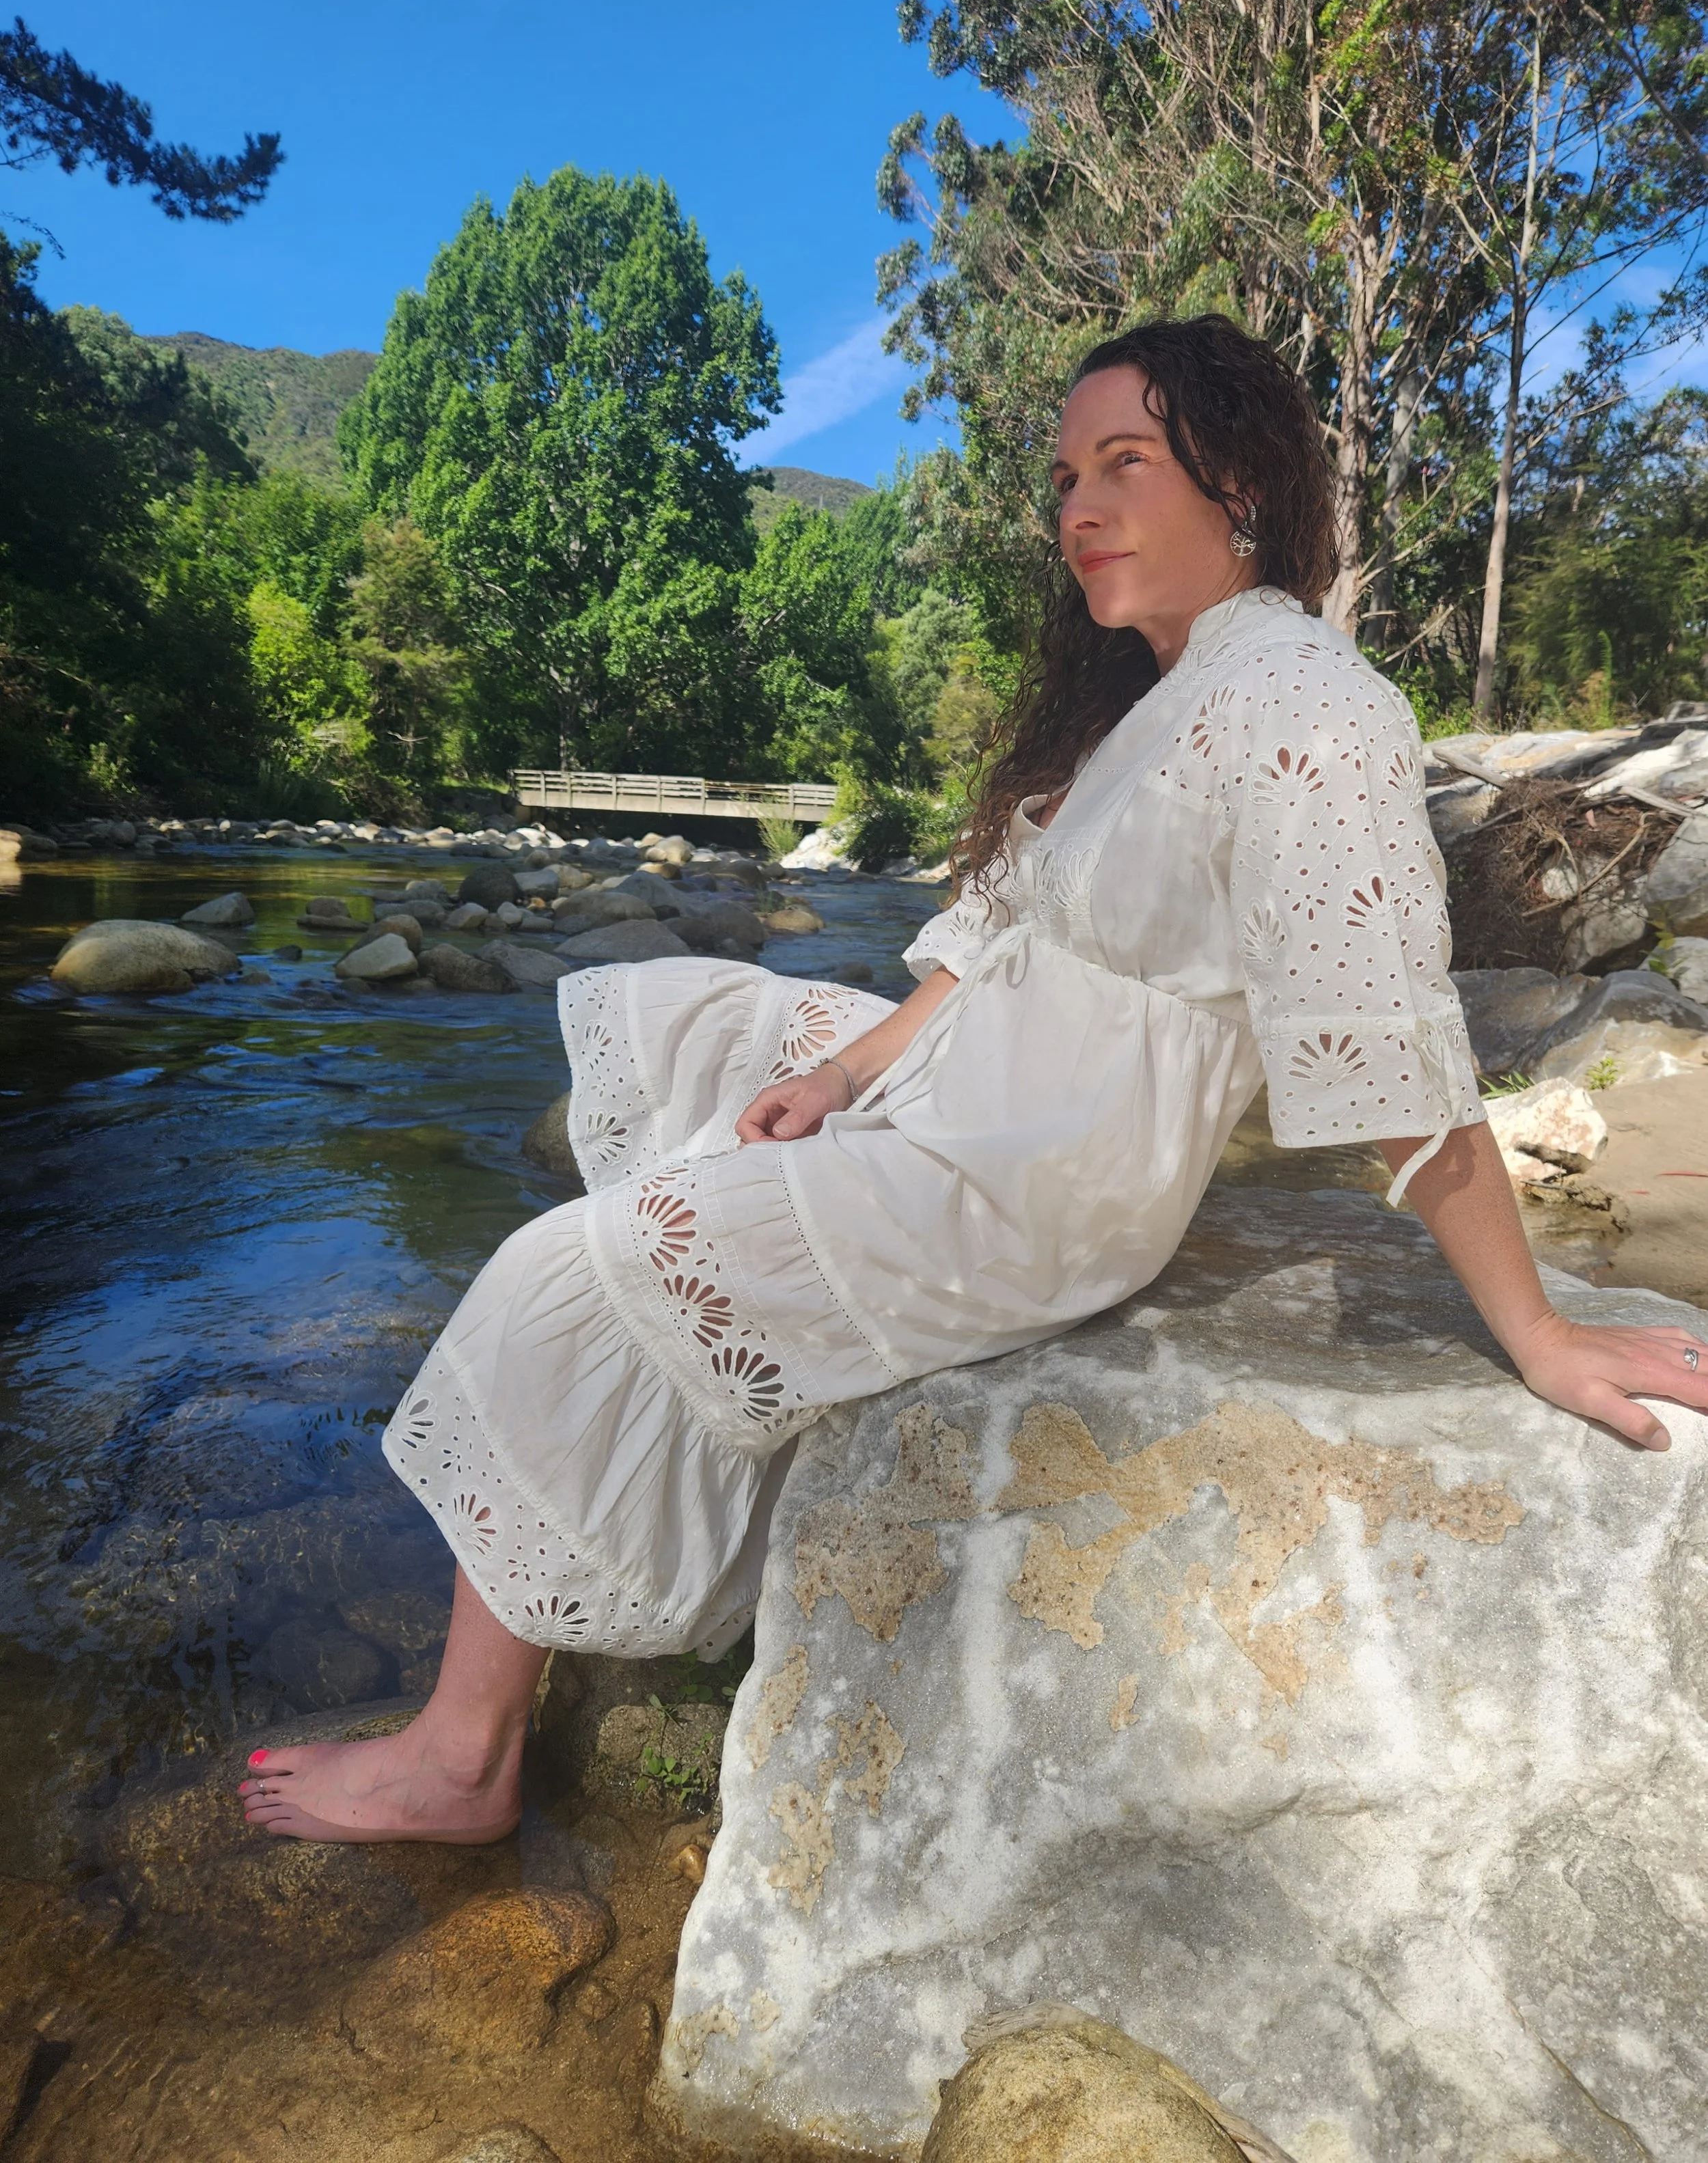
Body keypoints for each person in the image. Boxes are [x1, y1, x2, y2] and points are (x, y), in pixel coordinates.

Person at [240, 316, 1707, 1845]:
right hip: (976, 1075)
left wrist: (1534, 1332)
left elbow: (1387, 1048)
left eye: (1124, 464)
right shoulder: (1156, 690)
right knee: (723, 1044)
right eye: (1066, 473)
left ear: (1245, 487)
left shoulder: (1305, 708)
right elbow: (999, 930)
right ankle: (683, 1463)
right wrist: (856, 1063)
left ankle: (462, 1753)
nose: (1077, 505)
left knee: (579, 1269)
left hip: (1049, 1168)